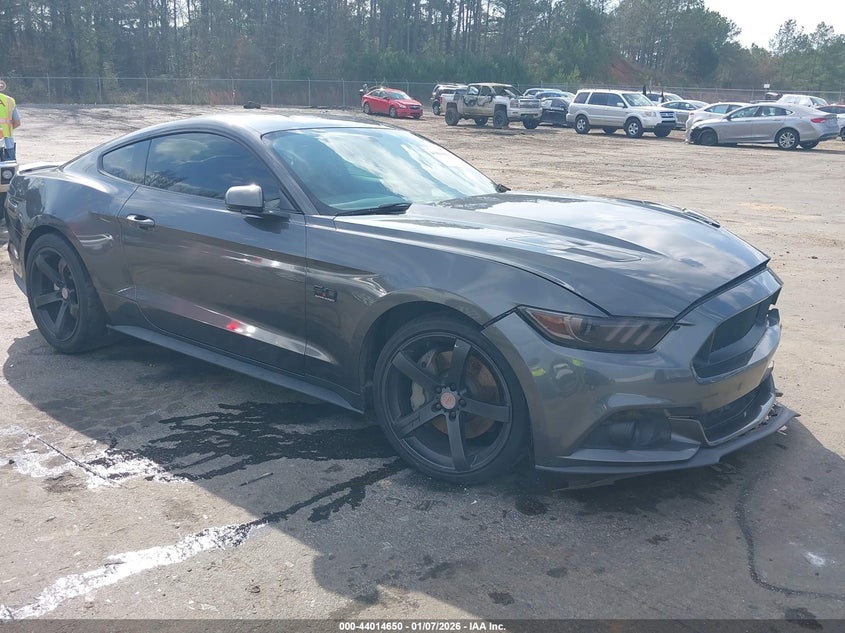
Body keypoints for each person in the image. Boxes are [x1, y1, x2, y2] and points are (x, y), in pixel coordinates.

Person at [0, 80, 21, 161]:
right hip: (7, 143)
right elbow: (17, 122)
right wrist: (6, 129)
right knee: (9, 171)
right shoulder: (10, 101)